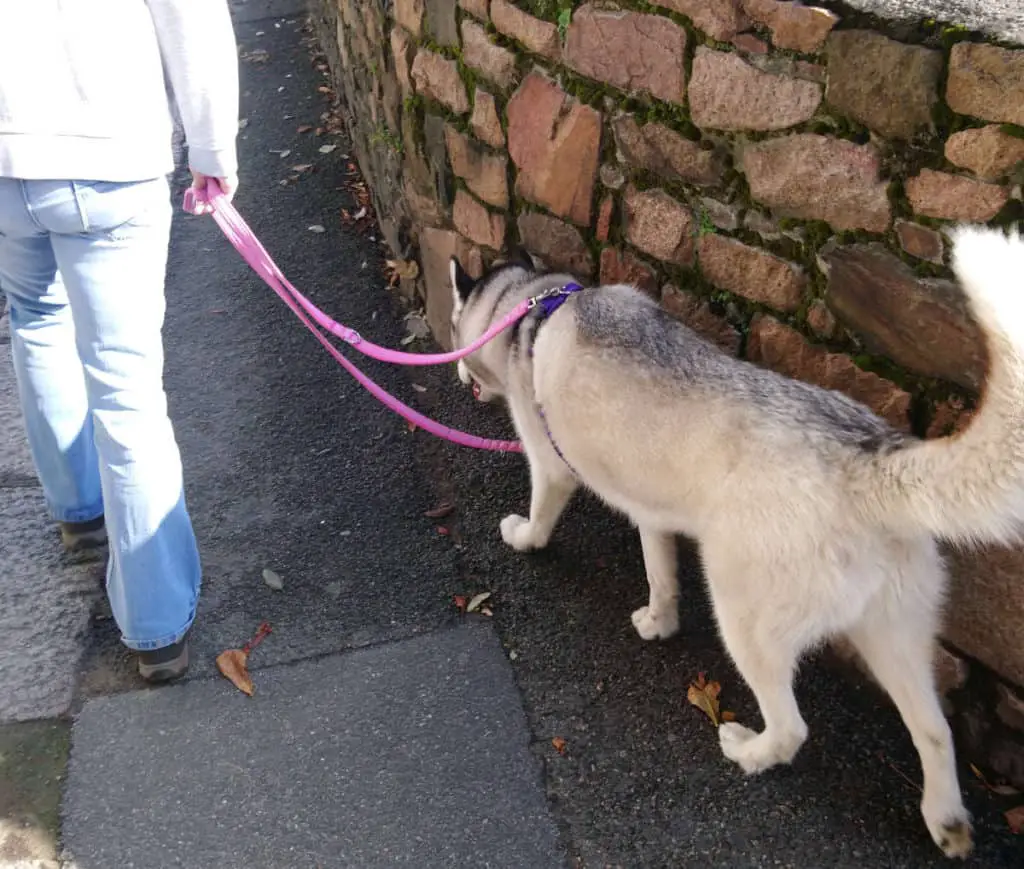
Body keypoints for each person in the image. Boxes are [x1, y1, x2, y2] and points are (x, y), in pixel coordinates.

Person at [0, 0, 240, 682]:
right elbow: (188, 17)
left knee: (35, 318)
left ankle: (78, 513)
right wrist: (211, 148)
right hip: (109, 147)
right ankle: (155, 626)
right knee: (125, 384)